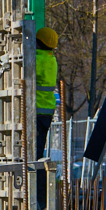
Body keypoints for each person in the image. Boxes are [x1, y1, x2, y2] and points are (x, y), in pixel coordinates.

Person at [34, 25, 60, 154]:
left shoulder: (36, 60)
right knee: (39, 148)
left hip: (35, 110)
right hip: (47, 110)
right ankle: (39, 173)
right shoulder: (52, 60)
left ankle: (37, 174)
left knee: (32, 152)